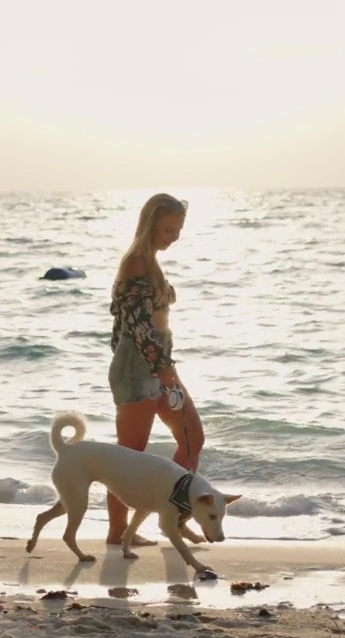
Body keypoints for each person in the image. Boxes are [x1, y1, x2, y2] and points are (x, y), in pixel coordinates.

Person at [105, 192, 206, 546]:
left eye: (178, 229)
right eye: (168, 229)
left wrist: (166, 368)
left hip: (157, 366)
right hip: (138, 369)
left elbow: (143, 324)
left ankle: (174, 517)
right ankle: (118, 533)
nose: (174, 236)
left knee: (192, 438)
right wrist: (162, 370)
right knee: (128, 461)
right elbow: (134, 325)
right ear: (150, 224)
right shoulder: (136, 262)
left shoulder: (151, 262)